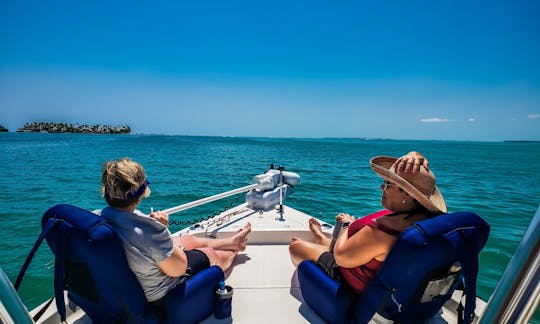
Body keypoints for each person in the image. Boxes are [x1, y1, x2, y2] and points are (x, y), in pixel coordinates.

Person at [95, 157, 251, 314]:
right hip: (159, 296)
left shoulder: (96, 218)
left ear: (106, 190)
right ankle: (234, 250)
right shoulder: (151, 230)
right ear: (142, 191)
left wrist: (161, 235)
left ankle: (232, 242)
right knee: (210, 254)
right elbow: (178, 270)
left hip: (129, 281)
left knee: (187, 240)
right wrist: (162, 229)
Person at [289, 151, 447, 295]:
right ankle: (321, 238)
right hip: (371, 261)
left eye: (387, 184)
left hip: (350, 274)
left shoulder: (384, 231)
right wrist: (416, 155)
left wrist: (347, 226)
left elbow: (340, 258)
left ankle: (324, 240)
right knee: (327, 243)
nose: (381, 187)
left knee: (296, 247)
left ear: (406, 193)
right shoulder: (427, 220)